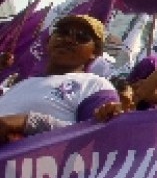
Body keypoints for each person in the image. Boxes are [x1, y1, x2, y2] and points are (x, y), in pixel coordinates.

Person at [0, 15, 119, 145]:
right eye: (62, 32)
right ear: (48, 41)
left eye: (81, 37)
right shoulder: (22, 85)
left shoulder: (95, 86)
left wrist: (29, 122)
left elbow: (97, 141)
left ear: (95, 52)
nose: (68, 39)